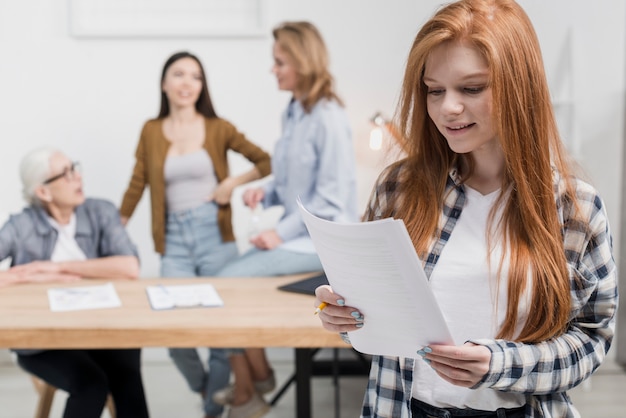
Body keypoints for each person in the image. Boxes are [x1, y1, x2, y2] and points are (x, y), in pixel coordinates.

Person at [314, 1, 618, 417]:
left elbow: (590, 340)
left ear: (519, 87)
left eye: (471, 88)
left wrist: (499, 365)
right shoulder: (399, 189)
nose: (447, 108)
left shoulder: (574, 209)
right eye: (434, 90)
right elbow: (374, 324)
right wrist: (346, 319)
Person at [214, 21, 359, 418]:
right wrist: (269, 191)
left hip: (322, 239)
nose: (273, 69)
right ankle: (253, 382)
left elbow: (328, 201)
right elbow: (295, 184)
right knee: (227, 280)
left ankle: (254, 383)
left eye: (279, 62)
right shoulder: (294, 112)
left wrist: (280, 233)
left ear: (301, 61)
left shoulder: (329, 117)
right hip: (299, 234)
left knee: (226, 281)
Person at [119, 51, 271, 418]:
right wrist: (116, 224)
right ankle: (211, 393)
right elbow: (138, 181)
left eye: (195, 76)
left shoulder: (218, 127)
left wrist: (232, 182)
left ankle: (214, 410)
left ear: (202, 86)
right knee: (174, 335)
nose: (187, 82)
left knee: (223, 331)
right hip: (173, 239)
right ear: (164, 84)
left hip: (213, 236)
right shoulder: (151, 130)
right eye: (179, 74)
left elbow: (266, 160)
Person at [0, 147, 149, 418]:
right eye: (65, 174)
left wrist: (54, 267)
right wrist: (22, 274)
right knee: (91, 385)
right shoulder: (22, 226)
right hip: (45, 342)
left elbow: (129, 266)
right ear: (42, 192)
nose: (77, 177)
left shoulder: (100, 211)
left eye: (75, 168)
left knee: (127, 375)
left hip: (102, 331)